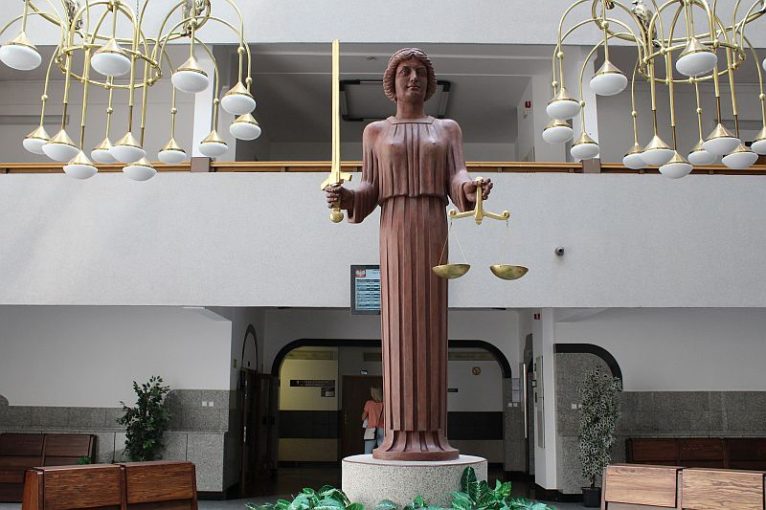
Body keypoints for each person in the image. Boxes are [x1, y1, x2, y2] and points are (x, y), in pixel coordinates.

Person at [326, 48, 492, 460]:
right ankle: (398, 437)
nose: (413, 78)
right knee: (399, 314)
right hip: (395, 226)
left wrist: (471, 189)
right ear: (392, 83)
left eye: (420, 72)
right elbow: (370, 187)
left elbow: (457, 176)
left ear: (430, 83)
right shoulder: (375, 132)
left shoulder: (447, 129)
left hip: (433, 222)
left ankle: (432, 437)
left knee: (430, 317)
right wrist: (346, 196)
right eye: (405, 72)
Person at [361, 386, 384, 454]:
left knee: (367, 453)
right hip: (382, 429)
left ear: (373, 393)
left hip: (371, 430)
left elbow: (363, 417)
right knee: (382, 452)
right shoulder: (384, 404)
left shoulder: (369, 403)